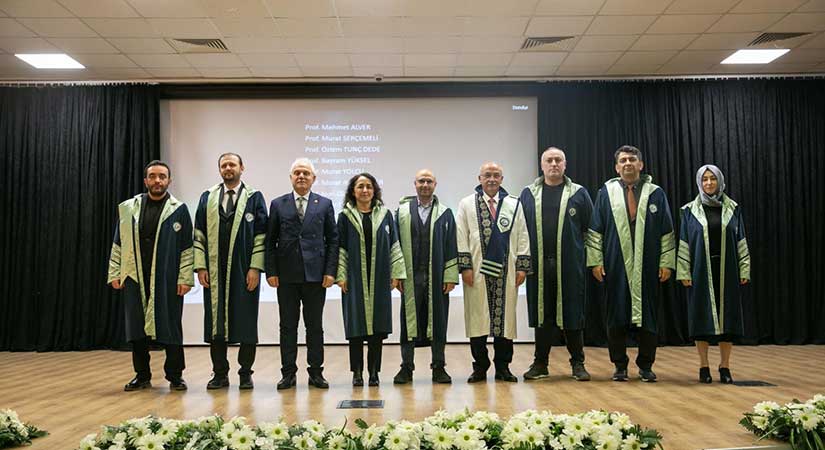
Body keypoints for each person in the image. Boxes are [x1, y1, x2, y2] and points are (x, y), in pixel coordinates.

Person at [587, 145, 675, 383]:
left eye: (632, 159)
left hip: (648, 265)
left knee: (649, 317)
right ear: (617, 167)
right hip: (615, 264)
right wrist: (595, 262)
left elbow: (667, 231)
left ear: (640, 165)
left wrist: (667, 263)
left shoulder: (656, 193)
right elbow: (595, 230)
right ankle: (619, 365)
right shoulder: (606, 193)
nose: (628, 163)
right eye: (623, 160)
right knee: (615, 316)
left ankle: (646, 366)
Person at [107, 160, 193, 392]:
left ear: (169, 181)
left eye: (162, 177)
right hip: (135, 276)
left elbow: (187, 248)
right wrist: (115, 272)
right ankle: (142, 375)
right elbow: (118, 242)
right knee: (136, 329)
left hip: (167, 278)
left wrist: (185, 278)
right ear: (145, 180)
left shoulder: (179, 209)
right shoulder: (129, 208)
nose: (157, 181)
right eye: (153, 176)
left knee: (171, 326)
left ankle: (175, 375)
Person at [193, 153, 267, 390]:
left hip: (244, 271)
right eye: (224, 165)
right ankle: (220, 374)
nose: (228, 168)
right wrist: (201, 266)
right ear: (219, 170)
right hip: (214, 271)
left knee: (246, 321)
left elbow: (261, 235)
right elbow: (198, 233)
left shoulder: (254, 197)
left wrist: (255, 267)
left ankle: (245, 374)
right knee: (216, 324)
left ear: (241, 168)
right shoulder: (207, 197)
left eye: (232, 164)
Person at [519, 147, 593, 382]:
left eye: (558, 160)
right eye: (549, 160)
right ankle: (540, 364)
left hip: (570, 266)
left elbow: (590, 231)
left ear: (565, 164)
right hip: (539, 266)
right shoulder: (528, 194)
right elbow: (520, 231)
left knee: (572, 313)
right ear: (542, 165)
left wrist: (587, 260)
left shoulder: (579, 193)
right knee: (542, 315)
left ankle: (578, 363)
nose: (553, 164)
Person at [265, 158, 338, 390]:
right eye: (297, 172)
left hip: (316, 276)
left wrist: (330, 271)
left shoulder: (324, 204)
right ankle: (288, 374)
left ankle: (316, 373)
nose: (301, 176)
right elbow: (270, 241)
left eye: (306, 173)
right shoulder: (278, 204)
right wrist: (271, 271)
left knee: (314, 327)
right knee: (287, 327)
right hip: (286, 276)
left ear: (313, 178)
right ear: (291, 177)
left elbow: (333, 240)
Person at [456, 162, 530, 383]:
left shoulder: (513, 204)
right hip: (477, 272)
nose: (491, 179)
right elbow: (461, 236)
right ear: (479, 178)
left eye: (496, 175)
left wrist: (522, 266)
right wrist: (465, 267)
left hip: (507, 272)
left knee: (505, 322)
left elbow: (523, 234)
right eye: (487, 175)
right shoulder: (467, 204)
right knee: (477, 320)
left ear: (501, 179)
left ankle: (503, 367)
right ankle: (480, 367)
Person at [677, 164, 750, 384]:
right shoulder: (689, 211)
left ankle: (725, 366)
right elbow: (684, 242)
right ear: (699, 182)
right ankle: (704, 366)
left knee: (728, 321)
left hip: (728, 270)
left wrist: (744, 267)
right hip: (700, 271)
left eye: (713, 179)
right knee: (701, 319)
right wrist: (683, 271)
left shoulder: (733, 208)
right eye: (705, 179)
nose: (709, 183)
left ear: (720, 181)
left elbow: (741, 240)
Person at [336, 173, 406, 387]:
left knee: (377, 329)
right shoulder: (345, 216)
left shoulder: (385, 215)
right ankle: (357, 373)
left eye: (368, 186)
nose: (365, 190)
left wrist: (396, 273)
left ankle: (374, 372)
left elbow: (394, 245)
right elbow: (340, 248)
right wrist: (341, 275)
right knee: (355, 327)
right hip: (354, 279)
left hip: (380, 277)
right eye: (360, 186)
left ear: (375, 190)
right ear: (353, 191)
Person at [392, 169, 458, 385]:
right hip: (410, 277)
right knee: (408, 321)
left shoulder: (445, 213)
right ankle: (406, 367)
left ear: (435, 184)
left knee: (438, 320)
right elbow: (395, 245)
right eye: (421, 181)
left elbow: (451, 245)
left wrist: (450, 276)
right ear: (415, 184)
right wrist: (397, 274)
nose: (425, 185)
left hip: (436, 276)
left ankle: (439, 367)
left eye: (429, 181)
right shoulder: (401, 212)